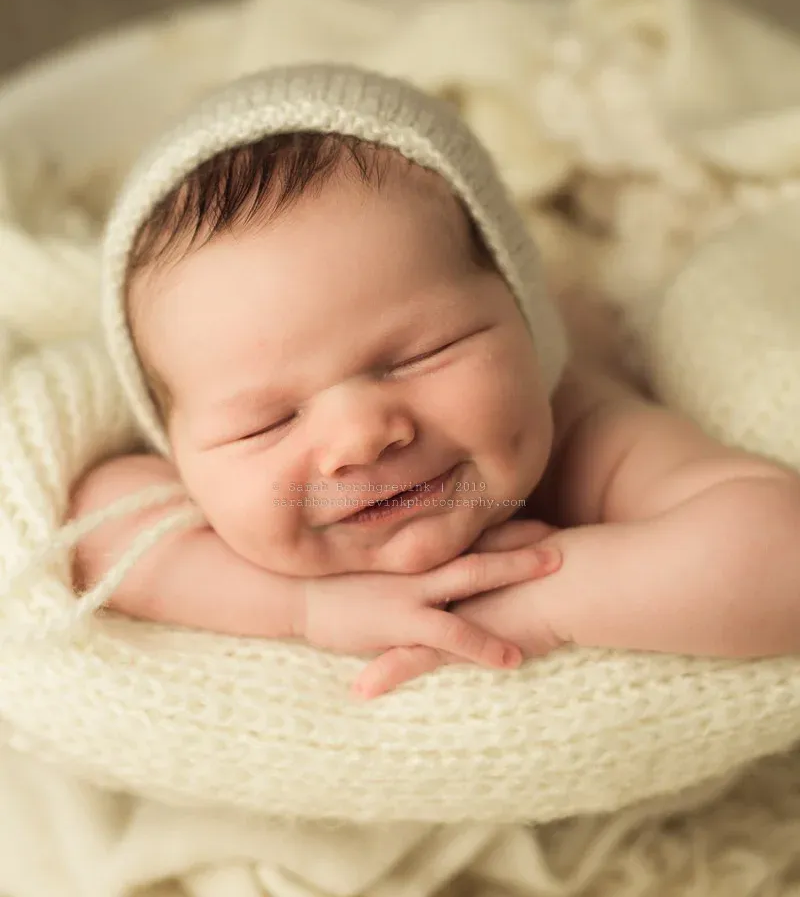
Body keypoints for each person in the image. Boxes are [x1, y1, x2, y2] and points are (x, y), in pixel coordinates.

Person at [71, 64, 800, 700]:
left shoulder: (581, 430)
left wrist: (535, 602)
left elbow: (779, 552)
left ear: (525, 320)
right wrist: (304, 610)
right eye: (268, 421)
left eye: (420, 355)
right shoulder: (206, 494)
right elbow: (94, 528)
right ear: (178, 453)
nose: (358, 438)